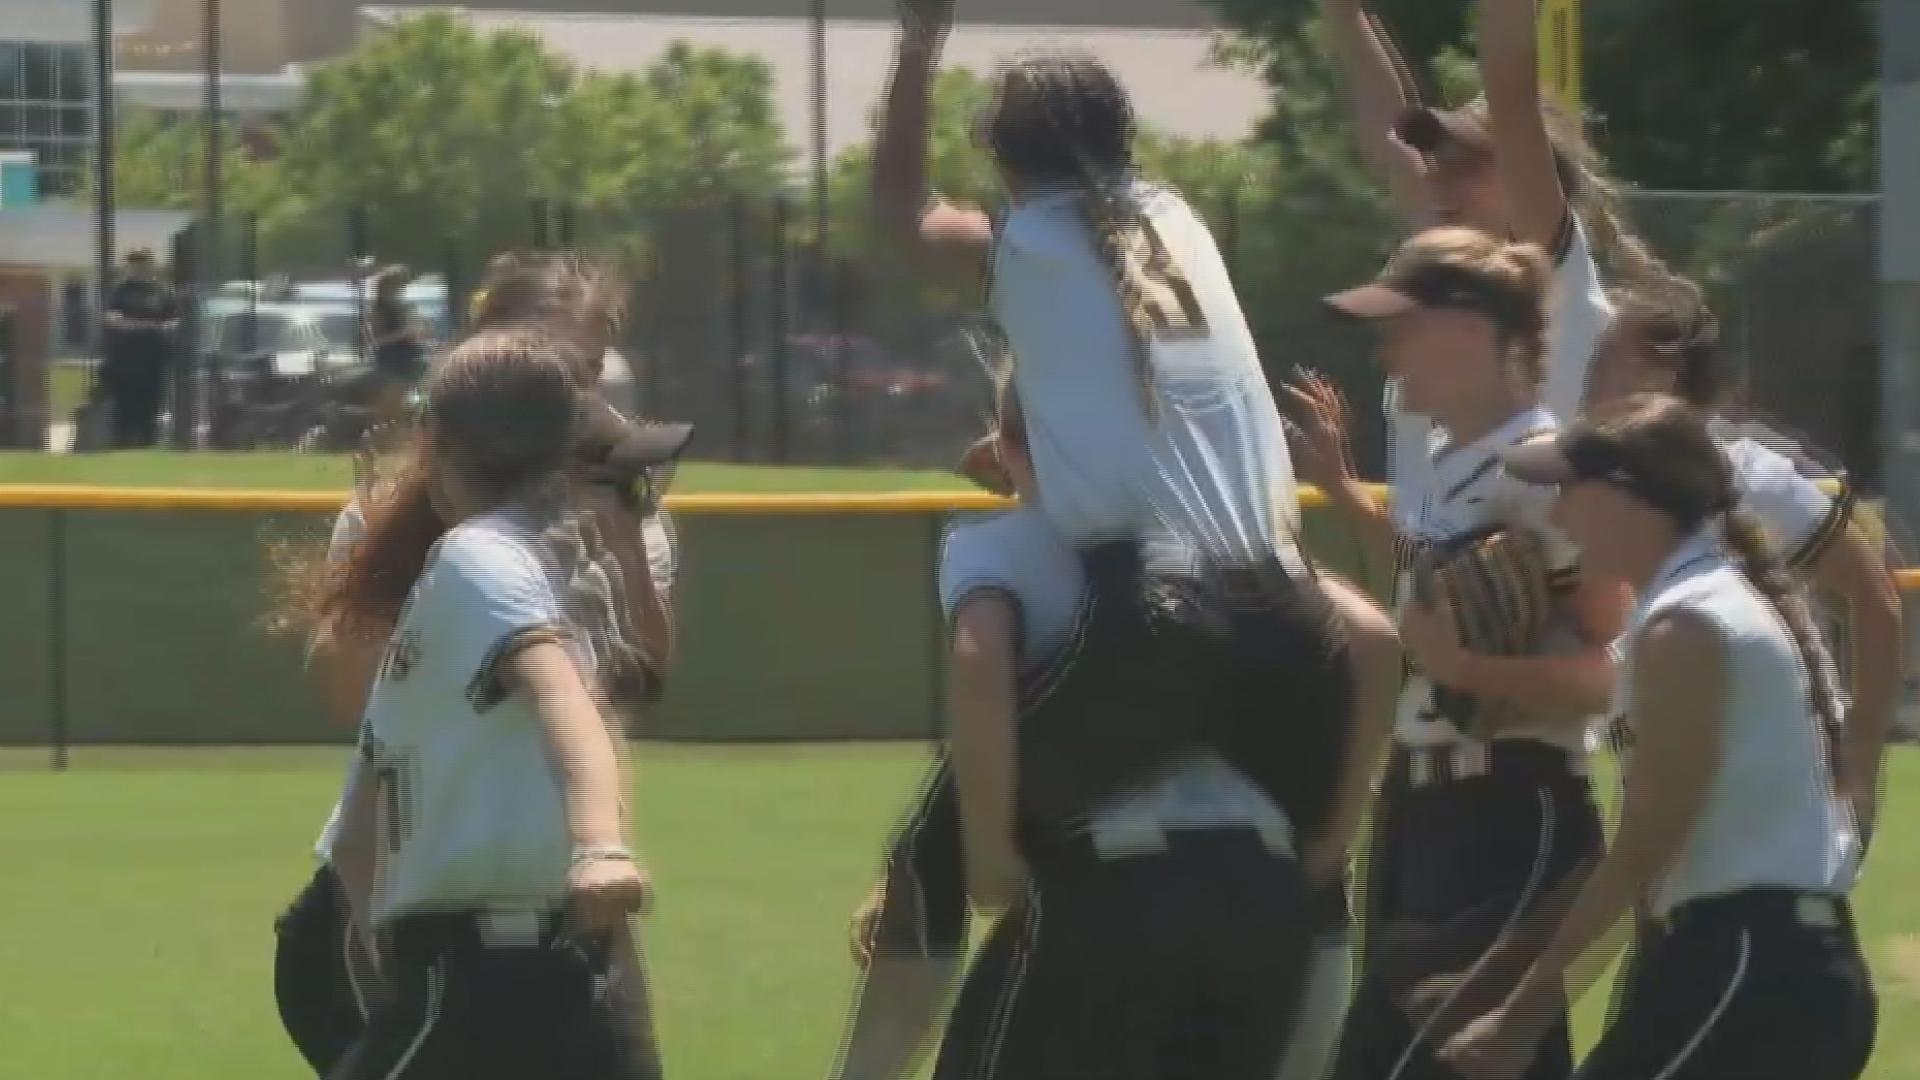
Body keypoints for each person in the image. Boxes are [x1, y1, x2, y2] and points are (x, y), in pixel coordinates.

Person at [837, 373, 1397, 1080]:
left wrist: (986, 864)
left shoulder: (1007, 545)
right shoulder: (1220, 549)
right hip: (1262, 901)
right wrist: (1338, 833)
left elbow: (979, 663)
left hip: (1107, 896)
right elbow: (1375, 638)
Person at [1440, 393, 1876, 1080]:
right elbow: (1645, 845)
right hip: (1766, 967)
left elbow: (1647, 844)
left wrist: (1520, 1017)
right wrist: (1503, 973)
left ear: (1625, 496)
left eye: (1567, 490)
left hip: (1747, 969)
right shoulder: (1695, 609)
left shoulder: (1687, 626)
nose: (1555, 515)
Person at [1299, 227, 1629, 1080]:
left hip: (1513, 812)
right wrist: (1345, 495)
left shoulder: (1549, 469)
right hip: (1425, 811)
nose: (1388, 350)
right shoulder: (1449, 464)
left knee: (1417, 1061)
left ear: (1477, 330)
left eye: (1404, 325)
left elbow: (1610, 672)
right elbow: (1437, 575)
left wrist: (1470, 674)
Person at [321, 330, 680, 1080]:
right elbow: (360, 825)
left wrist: (599, 846)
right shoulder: (500, 567)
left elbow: (561, 695)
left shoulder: (479, 557)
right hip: (524, 976)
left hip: (486, 986)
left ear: (436, 442)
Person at [1315, 0, 1647, 579]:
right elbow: (1390, 142)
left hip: (1556, 602)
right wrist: (1344, 14)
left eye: (1469, 163)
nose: (1440, 175)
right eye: (1438, 163)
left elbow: (1513, 103)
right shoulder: (1453, 281)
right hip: (1457, 604)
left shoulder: (1551, 272)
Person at [1583, 273, 1903, 835]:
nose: (1588, 370)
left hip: (1758, 792)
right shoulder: (1610, 483)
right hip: (1661, 780)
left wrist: (1862, 748)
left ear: (1664, 369)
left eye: (1605, 352)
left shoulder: (1741, 468)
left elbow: (1875, 597)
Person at [100, 248, 180, 448]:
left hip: (154, 358)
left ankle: (147, 443)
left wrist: (141, 326)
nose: (138, 268)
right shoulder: (120, 291)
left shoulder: (162, 291)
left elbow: (174, 322)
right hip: (123, 360)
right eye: (134, 263)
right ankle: (121, 444)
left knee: (151, 405)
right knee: (124, 405)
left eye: (143, 263)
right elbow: (113, 319)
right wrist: (147, 326)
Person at [366, 265, 427, 428]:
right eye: (400, 284)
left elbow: (416, 330)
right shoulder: (379, 308)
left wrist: (419, 332)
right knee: (391, 402)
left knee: (410, 399)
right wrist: (403, 333)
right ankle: (381, 434)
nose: (403, 288)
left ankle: (401, 434)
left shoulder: (403, 306)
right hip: (391, 359)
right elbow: (376, 339)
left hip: (410, 356)